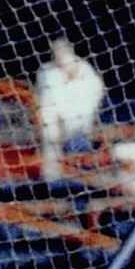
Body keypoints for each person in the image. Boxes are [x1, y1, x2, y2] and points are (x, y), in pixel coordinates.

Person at [35, 37, 104, 182]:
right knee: (50, 129)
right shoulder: (46, 71)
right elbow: (43, 99)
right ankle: (51, 174)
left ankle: (82, 175)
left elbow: (95, 95)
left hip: (80, 119)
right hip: (54, 118)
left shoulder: (85, 69)